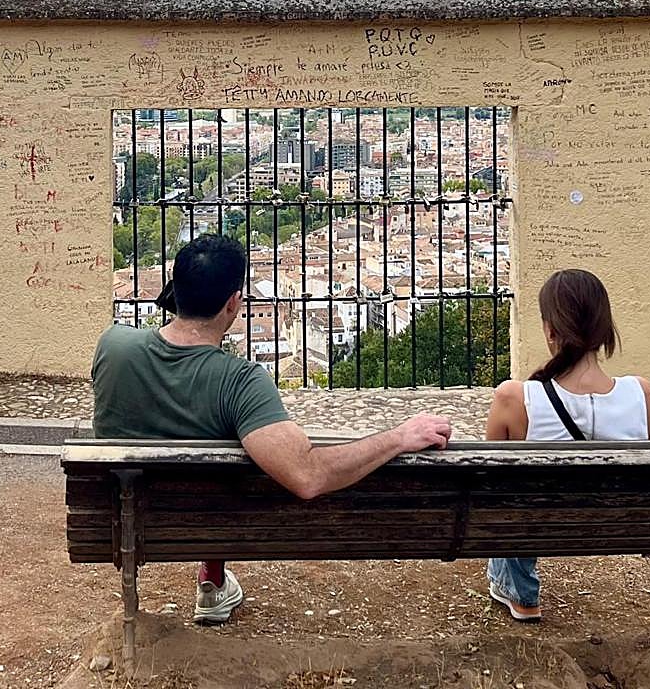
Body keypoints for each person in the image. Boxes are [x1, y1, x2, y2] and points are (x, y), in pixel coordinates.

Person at [91, 234, 452, 625]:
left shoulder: (114, 346)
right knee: (227, 446)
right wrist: (399, 437)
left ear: (173, 290)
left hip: (124, 519)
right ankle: (212, 577)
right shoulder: (239, 382)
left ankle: (203, 581)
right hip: (206, 523)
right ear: (234, 303)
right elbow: (307, 476)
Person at [484, 268, 650, 621]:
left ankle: (520, 592)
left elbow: (489, 486)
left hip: (539, 524)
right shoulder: (641, 394)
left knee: (508, 494)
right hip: (621, 524)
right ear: (604, 328)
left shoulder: (514, 398)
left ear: (550, 331)